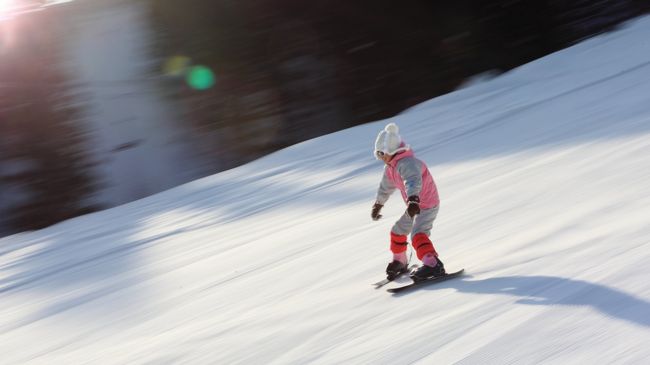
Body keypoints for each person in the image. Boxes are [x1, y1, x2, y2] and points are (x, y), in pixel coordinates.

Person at [371, 122, 445, 281]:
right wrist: (379, 204)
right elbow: (385, 187)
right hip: (414, 206)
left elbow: (412, 182)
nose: (382, 157)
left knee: (418, 234)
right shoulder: (390, 167)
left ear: (393, 151)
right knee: (398, 231)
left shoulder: (408, 164)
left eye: (383, 153)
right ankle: (400, 261)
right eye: (379, 154)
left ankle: (433, 264)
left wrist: (413, 200)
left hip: (427, 204)